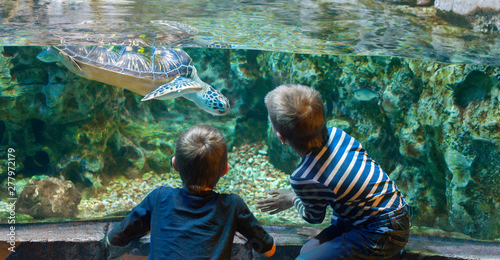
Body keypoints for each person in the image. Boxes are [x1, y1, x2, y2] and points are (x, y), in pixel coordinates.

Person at [256, 84, 409, 259]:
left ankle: (387, 251)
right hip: (392, 212)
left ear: (280, 137)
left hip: (382, 233)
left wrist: (292, 198)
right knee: (306, 250)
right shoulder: (338, 134)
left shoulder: (304, 177)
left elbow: (313, 217)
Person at [108, 124, 276, 259]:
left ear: (174, 164)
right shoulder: (232, 205)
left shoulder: (160, 197)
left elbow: (114, 238)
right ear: (225, 170)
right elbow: (269, 250)